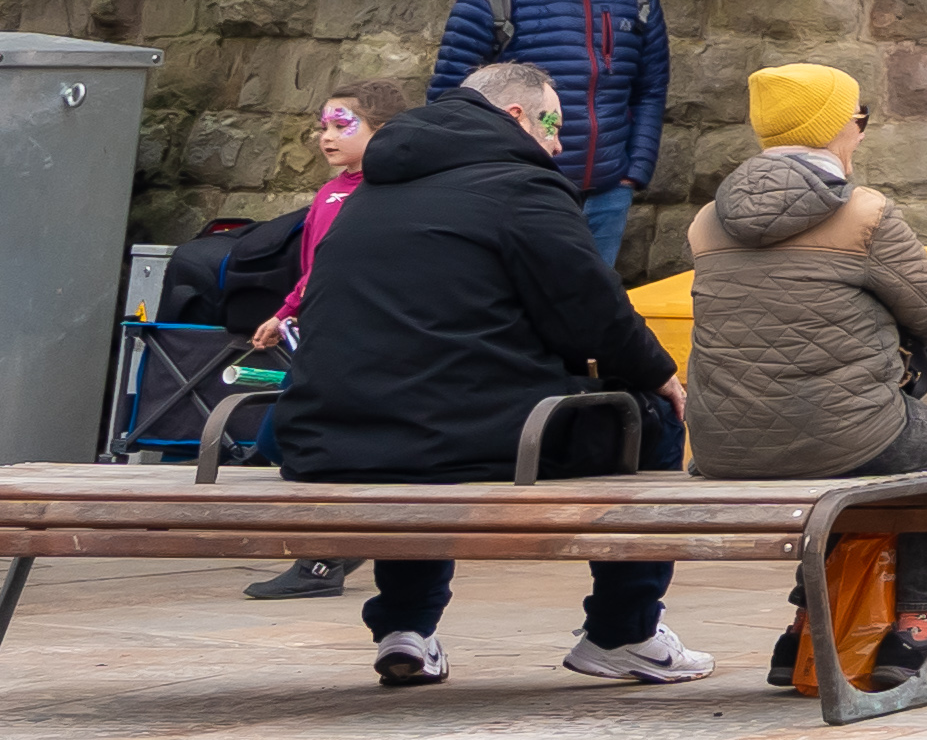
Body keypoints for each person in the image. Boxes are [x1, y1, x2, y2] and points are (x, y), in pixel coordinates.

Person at [288, 61, 696, 691]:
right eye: (553, 124)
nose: (559, 143)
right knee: (648, 420)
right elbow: (591, 312)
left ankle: (406, 628)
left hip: (329, 431)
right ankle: (624, 631)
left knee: (423, 434)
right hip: (461, 433)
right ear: (514, 117)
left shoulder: (377, 186)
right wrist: (660, 375)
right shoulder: (520, 186)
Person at [687, 78, 927, 694]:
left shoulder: (709, 221)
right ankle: (920, 629)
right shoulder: (864, 213)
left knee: (838, 452)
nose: (862, 130)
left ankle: (803, 631)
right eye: (861, 118)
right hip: (841, 433)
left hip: (722, 445)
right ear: (835, 128)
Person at [167, 97, 379, 597]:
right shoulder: (329, 193)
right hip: (319, 337)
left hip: (358, 341)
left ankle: (327, 554)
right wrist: (285, 312)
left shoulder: (384, 196)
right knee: (281, 440)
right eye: (322, 125)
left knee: (294, 440)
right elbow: (313, 270)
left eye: (342, 125)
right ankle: (329, 549)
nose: (327, 136)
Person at [435, 0, 676, 291]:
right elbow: (448, 103)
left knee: (588, 318)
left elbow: (650, 90)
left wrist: (632, 172)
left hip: (607, 195)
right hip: (518, 195)